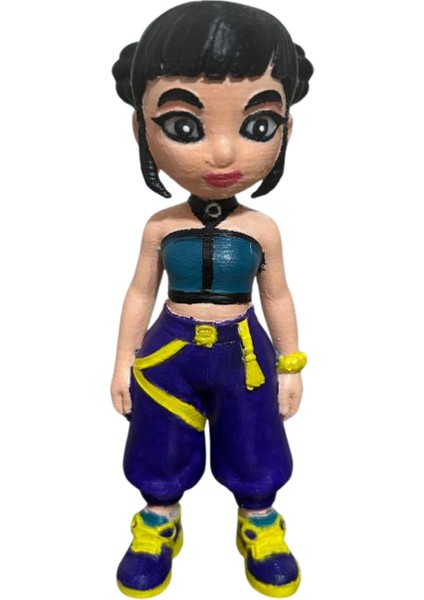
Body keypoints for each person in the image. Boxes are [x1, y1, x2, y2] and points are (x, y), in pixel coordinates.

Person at [111, 2, 313, 597]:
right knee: (158, 437)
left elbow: (277, 294)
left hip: (243, 352)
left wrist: (291, 364)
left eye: (257, 126)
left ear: (286, 130)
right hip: (168, 352)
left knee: (254, 439)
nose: (222, 155)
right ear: (141, 129)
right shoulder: (160, 227)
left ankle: (259, 521)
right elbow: (140, 291)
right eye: (183, 126)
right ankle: (158, 520)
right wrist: (122, 361)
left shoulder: (261, 230)